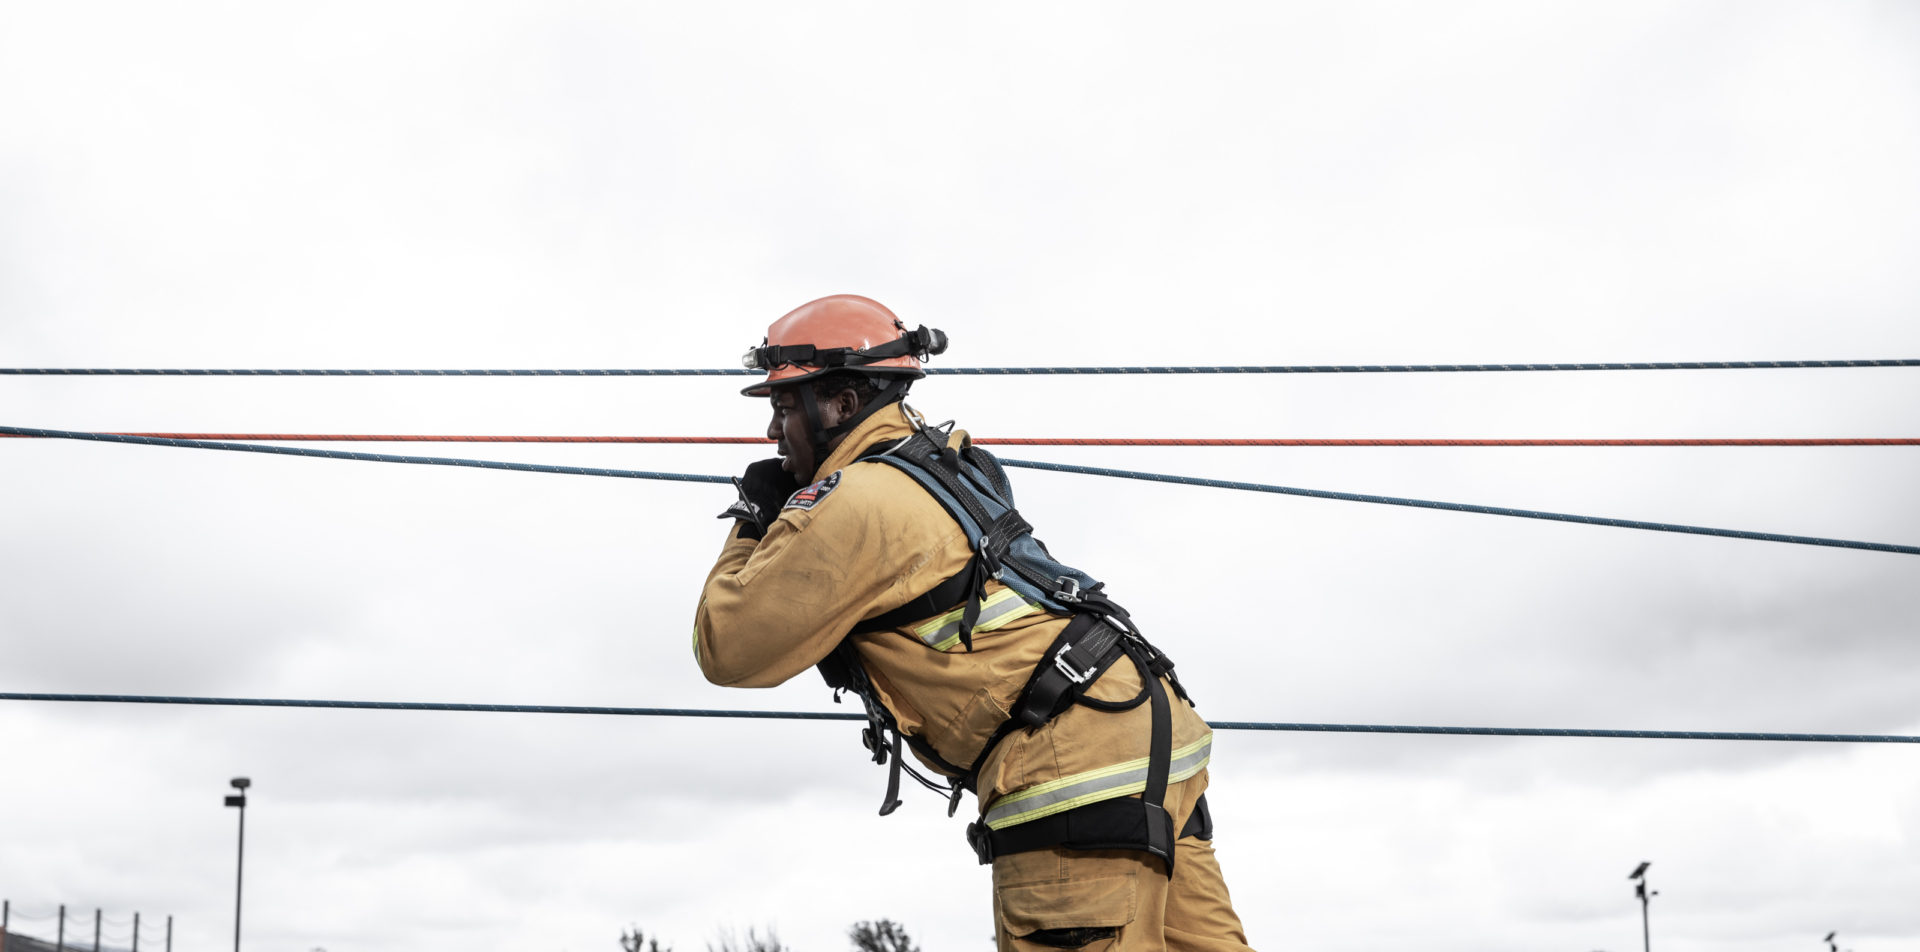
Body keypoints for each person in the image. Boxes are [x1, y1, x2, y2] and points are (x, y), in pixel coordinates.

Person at [693, 294, 1253, 952]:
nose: (770, 432)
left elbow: (728, 648)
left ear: (840, 405)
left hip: (1068, 765)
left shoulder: (856, 501)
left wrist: (755, 517)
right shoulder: (948, 461)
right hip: (1147, 724)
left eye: (784, 407)